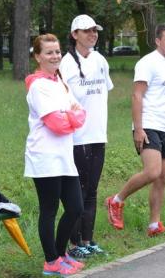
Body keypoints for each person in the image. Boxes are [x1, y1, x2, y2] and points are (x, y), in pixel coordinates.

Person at [105, 23, 165, 236]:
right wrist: (139, 128)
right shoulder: (148, 63)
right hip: (148, 125)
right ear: (158, 41)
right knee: (153, 171)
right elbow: (137, 95)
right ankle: (116, 201)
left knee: (162, 178)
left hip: (164, 128)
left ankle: (154, 225)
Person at [24, 34, 86, 276]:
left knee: (75, 207)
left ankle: (61, 254)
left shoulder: (60, 81)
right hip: (44, 156)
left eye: (58, 51)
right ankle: (51, 262)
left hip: (63, 156)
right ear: (38, 56)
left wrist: (69, 117)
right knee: (49, 210)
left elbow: (80, 113)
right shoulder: (38, 86)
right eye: (49, 52)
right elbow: (57, 124)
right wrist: (70, 117)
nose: (55, 56)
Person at [59, 14, 113, 258]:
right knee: (78, 191)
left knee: (92, 189)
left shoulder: (101, 60)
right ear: (74, 35)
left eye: (94, 30)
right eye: (86, 31)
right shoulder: (67, 63)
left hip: (97, 135)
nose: (92, 34)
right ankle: (74, 242)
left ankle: (88, 239)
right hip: (77, 137)